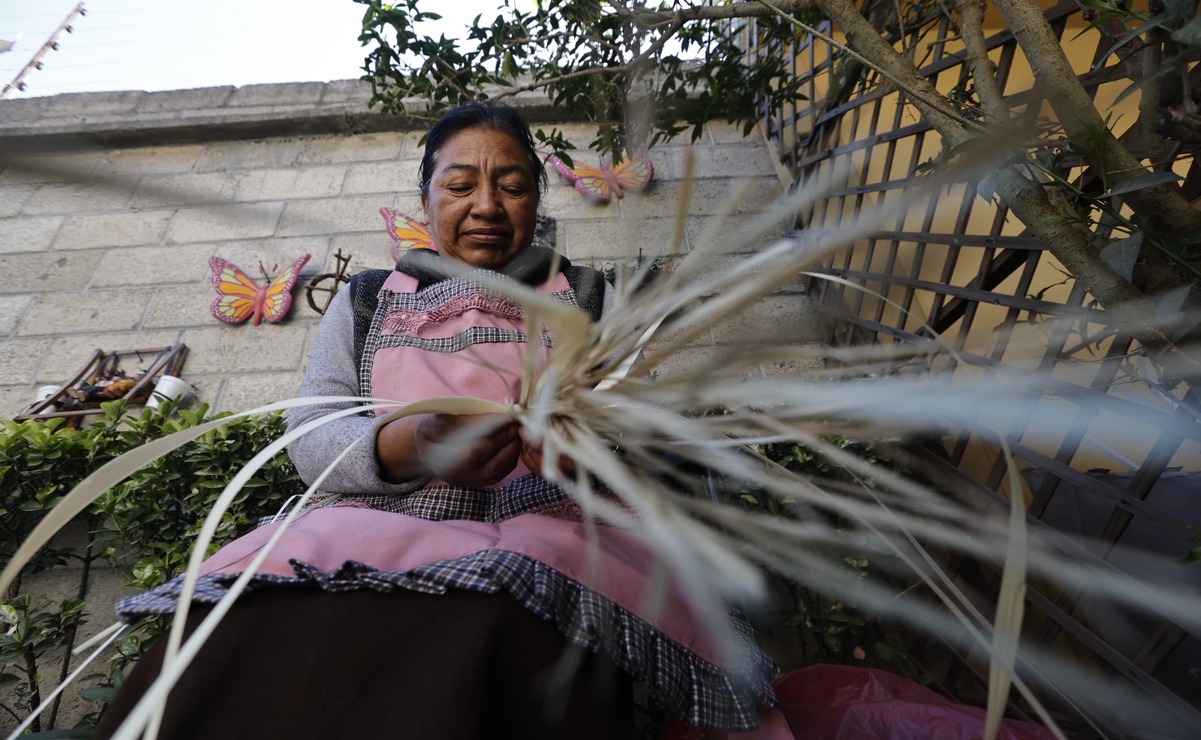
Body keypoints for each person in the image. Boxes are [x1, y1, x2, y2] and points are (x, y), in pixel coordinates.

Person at [97, 101, 777, 739]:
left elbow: (640, 432)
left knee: (498, 618)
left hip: (550, 532)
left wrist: (583, 451)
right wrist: (414, 442)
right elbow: (311, 437)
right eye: (459, 185)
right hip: (369, 523)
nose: (486, 205)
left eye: (511, 185)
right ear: (425, 198)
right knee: (243, 629)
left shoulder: (594, 299)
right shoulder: (366, 300)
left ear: (537, 199)